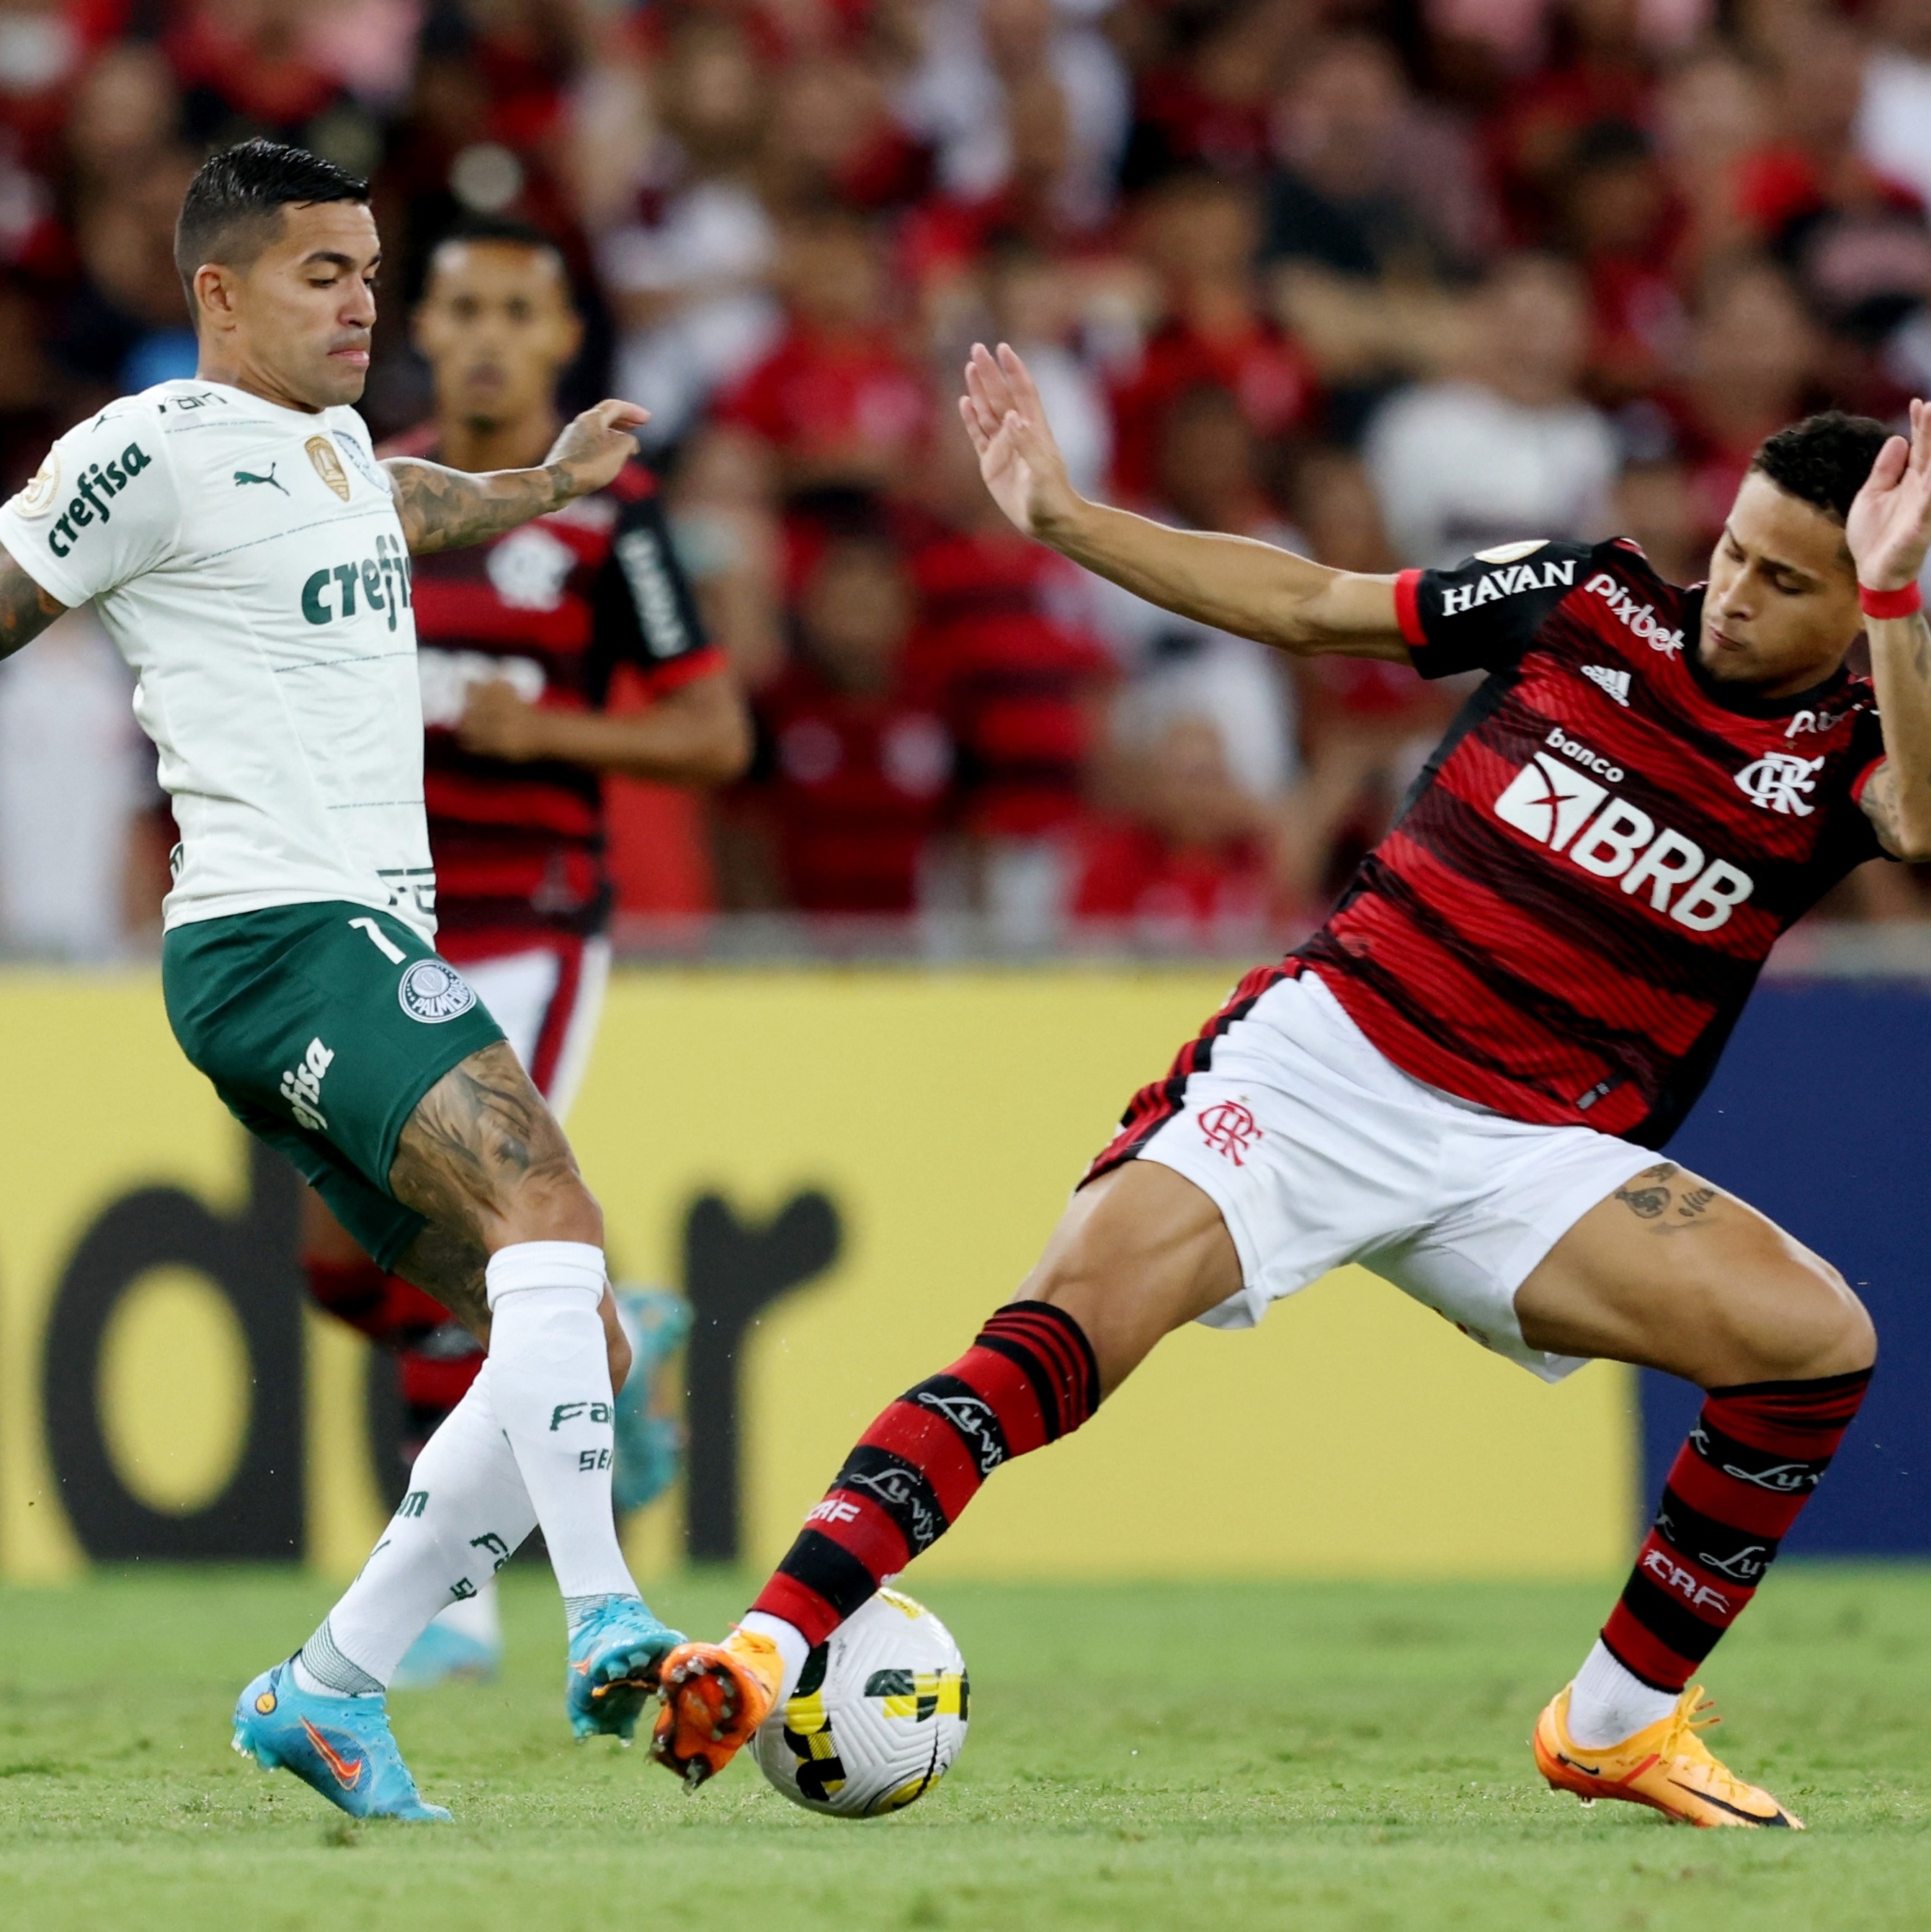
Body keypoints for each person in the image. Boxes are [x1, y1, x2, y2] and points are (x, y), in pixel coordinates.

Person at [650, 341, 1931, 1832]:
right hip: (1326, 1063)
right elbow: (1313, 606)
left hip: (1525, 1151)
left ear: (1859, 608)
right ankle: (756, 1648)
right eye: (1731, 551)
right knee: (1054, 1338)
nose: (1732, 592)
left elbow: (1919, 813)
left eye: (1788, 583)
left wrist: (1902, 595)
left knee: (1814, 1344)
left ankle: (1612, 1725)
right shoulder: (1582, 602)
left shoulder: (1846, 747)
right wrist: (1067, 520)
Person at [0, 140, 686, 1823]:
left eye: (371, 269)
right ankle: (609, 1614)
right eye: (324, 272)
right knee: (546, 1195)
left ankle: (327, 1691)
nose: (364, 298)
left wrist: (543, 485)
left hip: (364, 938)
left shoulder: (325, 450)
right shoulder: (144, 447)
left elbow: (404, 504)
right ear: (217, 291)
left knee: (567, 1338)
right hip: (275, 927)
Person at [301, 214, 749, 1687]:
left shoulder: (613, 524)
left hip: (535, 914)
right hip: (379, 919)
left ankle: (457, 1609)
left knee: (492, 1229)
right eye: (464, 307)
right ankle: (612, 1342)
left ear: (562, 343)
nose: (489, 335)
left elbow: (711, 733)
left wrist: (544, 729)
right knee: (337, 1256)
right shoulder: (371, 492)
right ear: (422, 328)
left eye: (518, 310)